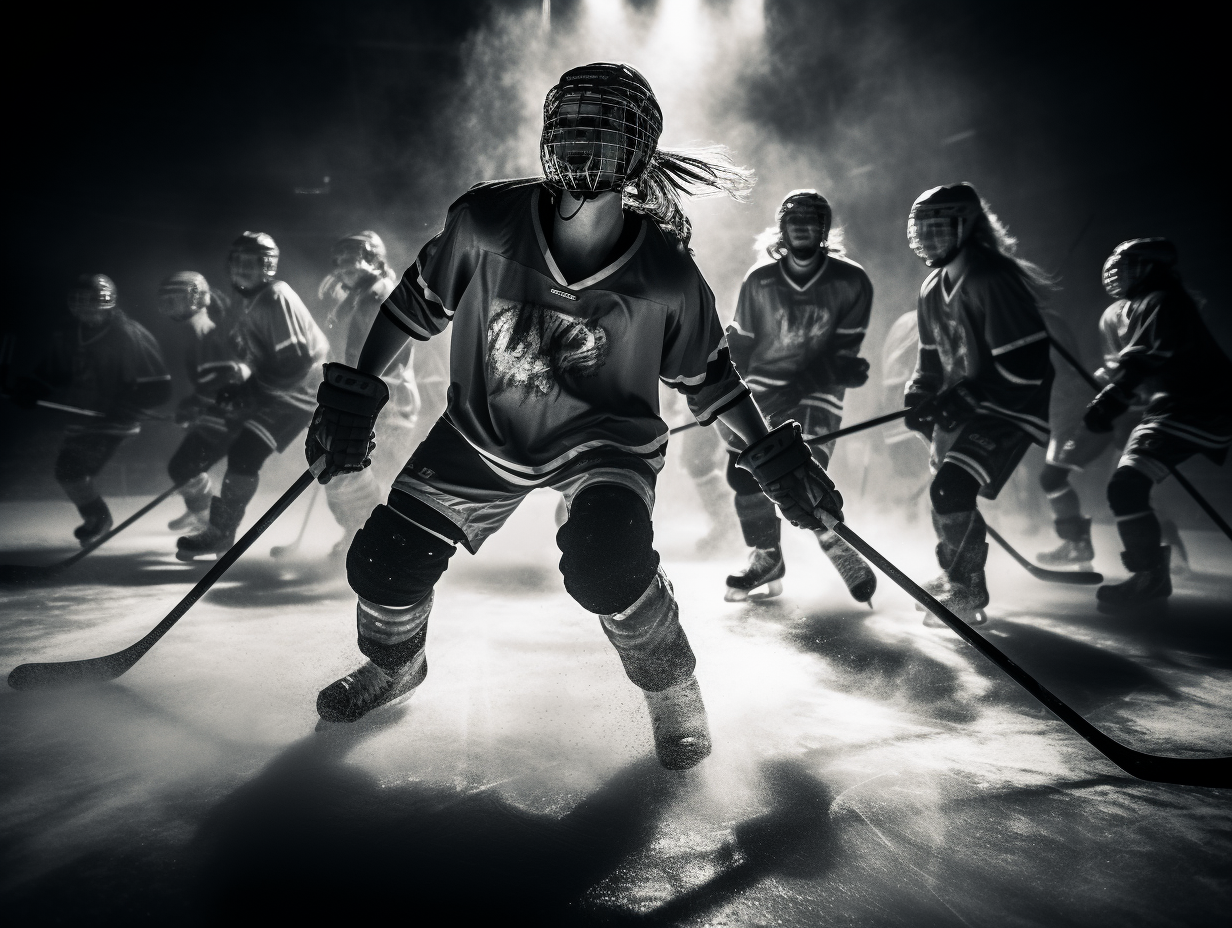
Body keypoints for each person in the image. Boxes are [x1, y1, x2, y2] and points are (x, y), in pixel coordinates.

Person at [304, 63, 844, 770]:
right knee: (381, 563)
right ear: (548, 133)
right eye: (571, 125)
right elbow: (413, 306)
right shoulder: (485, 220)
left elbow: (711, 381)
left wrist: (772, 457)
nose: (583, 143)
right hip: (482, 432)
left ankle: (673, 686)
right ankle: (397, 664)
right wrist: (356, 390)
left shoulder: (666, 272)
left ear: (637, 151)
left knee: (607, 567)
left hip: (605, 446)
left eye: (604, 129)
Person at [903, 183, 1054, 626]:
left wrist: (973, 392)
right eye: (922, 229)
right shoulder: (932, 287)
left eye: (939, 228)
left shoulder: (992, 279)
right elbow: (931, 357)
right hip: (969, 406)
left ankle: (967, 590)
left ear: (966, 226)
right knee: (944, 489)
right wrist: (919, 393)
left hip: (1009, 407)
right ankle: (955, 574)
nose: (929, 238)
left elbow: (1027, 363)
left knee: (952, 488)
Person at [721, 190, 876, 604]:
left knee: (798, 469)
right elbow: (745, 345)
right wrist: (720, 368)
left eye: (811, 221)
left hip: (818, 396)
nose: (803, 228)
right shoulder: (760, 279)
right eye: (795, 221)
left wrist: (818, 375)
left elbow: (844, 355)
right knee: (741, 473)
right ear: (782, 228)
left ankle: (835, 541)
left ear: (824, 230)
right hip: (763, 392)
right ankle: (767, 556)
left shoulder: (851, 281)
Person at [1077, 239, 1232, 611]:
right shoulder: (1138, 306)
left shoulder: (1163, 300)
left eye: (1129, 265)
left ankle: (1149, 577)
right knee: (1127, 488)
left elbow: (1144, 360)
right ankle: (1150, 576)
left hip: (1197, 407)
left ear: (1151, 267)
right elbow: (1130, 365)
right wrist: (1110, 387)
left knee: (1127, 486)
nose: (1117, 272)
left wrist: (1111, 398)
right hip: (1173, 408)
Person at [176, 232, 329, 559]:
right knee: (240, 450)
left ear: (268, 266)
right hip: (284, 390)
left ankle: (220, 532)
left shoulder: (275, 296)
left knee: (245, 452)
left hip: (301, 392)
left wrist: (251, 389)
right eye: (239, 262)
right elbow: (261, 360)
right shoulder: (252, 303)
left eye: (253, 263)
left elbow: (295, 360)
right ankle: (221, 530)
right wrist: (241, 385)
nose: (244, 270)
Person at [9, 274, 170, 545]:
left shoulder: (128, 334)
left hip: (114, 420)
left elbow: (159, 386)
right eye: (79, 302)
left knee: (70, 470)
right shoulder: (69, 333)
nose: (85, 309)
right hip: (84, 417)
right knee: (67, 473)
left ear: (107, 302)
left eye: (92, 301)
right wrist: (32, 388)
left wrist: (125, 403)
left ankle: (98, 518)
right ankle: (96, 517)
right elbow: (54, 372)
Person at [316, 231, 418, 557]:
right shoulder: (364, 293)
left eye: (354, 257)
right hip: (377, 401)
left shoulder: (376, 294)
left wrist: (351, 400)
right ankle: (360, 538)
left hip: (385, 404)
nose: (346, 265)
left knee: (370, 475)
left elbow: (364, 356)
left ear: (374, 258)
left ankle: (380, 545)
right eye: (341, 259)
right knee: (355, 473)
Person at [157, 271, 248, 534]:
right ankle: (200, 510)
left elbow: (226, 379)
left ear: (196, 298)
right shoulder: (200, 329)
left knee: (182, 466)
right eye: (168, 299)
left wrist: (195, 404)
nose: (171, 305)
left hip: (231, 415)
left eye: (178, 298)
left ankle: (208, 520)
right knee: (185, 466)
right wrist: (194, 406)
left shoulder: (207, 331)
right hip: (223, 412)